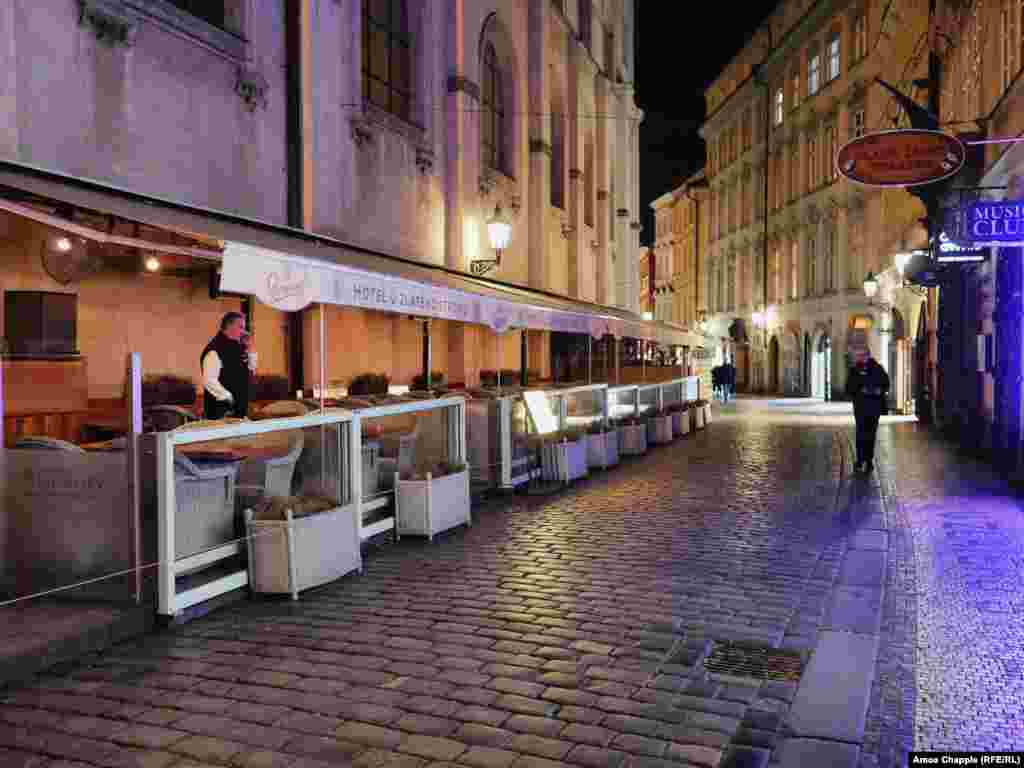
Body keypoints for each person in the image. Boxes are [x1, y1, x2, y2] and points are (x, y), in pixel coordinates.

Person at [846, 350, 890, 473]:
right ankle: (860, 460)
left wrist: (879, 390)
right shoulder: (854, 370)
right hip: (860, 408)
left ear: (869, 356)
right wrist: (860, 390)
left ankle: (869, 460)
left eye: (864, 355)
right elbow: (849, 388)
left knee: (871, 434)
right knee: (860, 434)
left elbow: (886, 384)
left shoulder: (878, 368)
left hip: (873, 408)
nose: (861, 358)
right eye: (859, 356)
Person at [201, 312, 251, 420]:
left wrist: (249, 350)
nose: (244, 332)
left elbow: (250, 370)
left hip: (238, 411)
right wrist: (228, 397)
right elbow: (209, 380)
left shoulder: (238, 347)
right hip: (221, 412)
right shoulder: (214, 350)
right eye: (241, 327)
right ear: (229, 326)